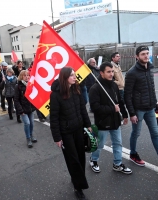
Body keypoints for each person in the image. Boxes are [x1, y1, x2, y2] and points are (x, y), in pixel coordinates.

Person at [124, 45, 158, 168]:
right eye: (143, 54)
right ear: (137, 56)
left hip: (150, 108)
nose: (146, 56)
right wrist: (132, 113)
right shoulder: (132, 73)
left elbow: (151, 89)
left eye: (147, 53)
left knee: (155, 133)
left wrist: (154, 103)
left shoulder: (149, 69)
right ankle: (133, 154)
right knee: (136, 133)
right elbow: (127, 95)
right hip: (138, 110)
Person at [50, 67, 91, 200]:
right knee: (73, 159)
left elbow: (82, 109)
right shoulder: (55, 95)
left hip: (78, 129)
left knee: (80, 157)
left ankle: (77, 180)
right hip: (66, 133)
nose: (75, 77)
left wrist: (88, 124)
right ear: (65, 77)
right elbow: (54, 118)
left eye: (74, 75)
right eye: (72, 75)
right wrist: (57, 137)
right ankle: (78, 187)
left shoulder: (75, 89)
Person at [89, 62, 132, 174]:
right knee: (100, 145)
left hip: (115, 121)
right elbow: (95, 107)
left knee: (118, 143)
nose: (111, 74)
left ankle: (117, 164)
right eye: (108, 72)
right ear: (101, 73)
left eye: (112, 71)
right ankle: (94, 160)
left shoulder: (113, 85)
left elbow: (119, 102)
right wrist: (112, 109)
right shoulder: (95, 88)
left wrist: (125, 114)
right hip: (103, 123)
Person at [14, 70, 37, 147]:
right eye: (25, 75)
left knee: (32, 123)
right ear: (21, 77)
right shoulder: (18, 86)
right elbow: (16, 100)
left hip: (30, 108)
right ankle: (28, 138)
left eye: (28, 75)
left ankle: (31, 135)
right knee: (27, 123)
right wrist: (21, 110)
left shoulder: (31, 85)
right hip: (23, 109)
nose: (27, 77)